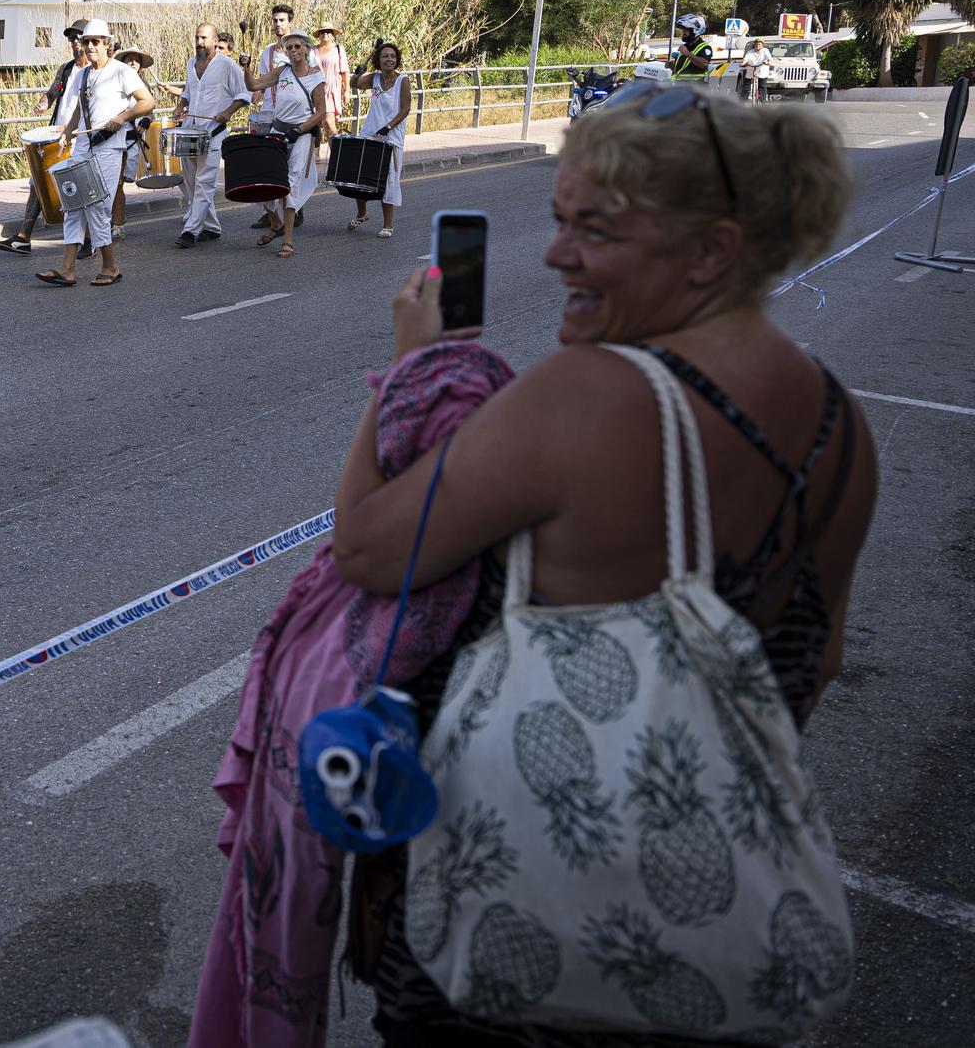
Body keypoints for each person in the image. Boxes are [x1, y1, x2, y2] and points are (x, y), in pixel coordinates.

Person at [330, 88, 879, 1048]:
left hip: (526, 924)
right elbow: (815, 657)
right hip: (697, 935)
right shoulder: (840, 422)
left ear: (711, 251)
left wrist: (415, 367)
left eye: (595, 230)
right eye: (558, 220)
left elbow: (372, 547)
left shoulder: (592, 395)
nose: (555, 254)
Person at [41, 19, 154, 287]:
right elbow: (81, 108)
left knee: (98, 207)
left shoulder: (121, 72)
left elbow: (148, 101)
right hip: (84, 145)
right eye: (86, 42)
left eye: (95, 42)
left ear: (107, 44)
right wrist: (68, 130)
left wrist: (122, 117)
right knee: (74, 206)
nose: (89, 46)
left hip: (109, 146)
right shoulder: (82, 75)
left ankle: (110, 267)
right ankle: (67, 268)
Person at [0, 19, 92, 253]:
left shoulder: (95, 71)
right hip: (55, 135)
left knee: (81, 188)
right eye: (71, 38)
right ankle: (23, 237)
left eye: (78, 37)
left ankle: (89, 241)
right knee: (38, 184)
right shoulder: (66, 68)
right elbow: (52, 93)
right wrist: (42, 104)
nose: (74, 42)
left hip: (80, 136)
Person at [243, 27, 329, 257]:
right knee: (264, 181)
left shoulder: (315, 77)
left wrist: (299, 129)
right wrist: (246, 67)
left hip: (301, 135)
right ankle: (276, 224)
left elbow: (321, 112)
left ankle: (288, 240)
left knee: (289, 184)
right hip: (278, 131)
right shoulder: (282, 71)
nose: (293, 51)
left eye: (297, 46)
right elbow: (253, 86)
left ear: (306, 49)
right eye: (289, 47)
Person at [171, 23, 251, 249]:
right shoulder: (191, 63)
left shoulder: (227, 65)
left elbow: (244, 95)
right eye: (197, 37)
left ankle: (191, 230)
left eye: (204, 38)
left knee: (204, 183)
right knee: (190, 183)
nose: (199, 42)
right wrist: (181, 106)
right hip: (190, 131)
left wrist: (227, 112)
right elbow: (188, 92)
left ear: (215, 41)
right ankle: (213, 227)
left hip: (213, 133)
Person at [350, 40, 410, 238]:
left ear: (397, 60)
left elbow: (405, 109)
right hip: (369, 132)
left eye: (392, 56)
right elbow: (354, 85)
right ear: (378, 59)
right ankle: (362, 213)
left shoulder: (403, 80)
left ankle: (388, 225)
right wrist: (357, 72)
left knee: (389, 179)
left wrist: (387, 128)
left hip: (392, 137)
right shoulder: (374, 78)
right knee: (361, 175)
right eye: (385, 56)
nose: (389, 59)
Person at [112, 44, 159, 241]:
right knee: (111, 183)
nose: (132, 62)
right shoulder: (112, 82)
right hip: (110, 136)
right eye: (128, 58)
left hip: (130, 139)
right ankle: (112, 221)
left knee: (119, 183)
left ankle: (117, 224)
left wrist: (147, 120)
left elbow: (150, 110)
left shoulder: (143, 86)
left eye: (136, 59)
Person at [313, 24, 351, 129]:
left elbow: (345, 71)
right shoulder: (313, 50)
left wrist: (346, 90)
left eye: (328, 31)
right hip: (315, 89)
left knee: (329, 121)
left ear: (332, 35)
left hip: (331, 89)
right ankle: (317, 146)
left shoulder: (338, 49)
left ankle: (336, 145)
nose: (325, 34)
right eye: (322, 32)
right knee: (316, 125)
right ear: (319, 35)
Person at [739, 37, 772, 103]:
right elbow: (745, 59)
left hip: (762, 69)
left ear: (762, 45)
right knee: (746, 85)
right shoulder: (750, 52)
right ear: (754, 45)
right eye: (756, 44)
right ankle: (742, 102)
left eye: (759, 44)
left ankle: (763, 103)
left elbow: (769, 58)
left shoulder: (765, 51)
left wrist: (768, 62)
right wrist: (743, 63)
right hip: (751, 69)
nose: (757, 46)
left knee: (762, 86)